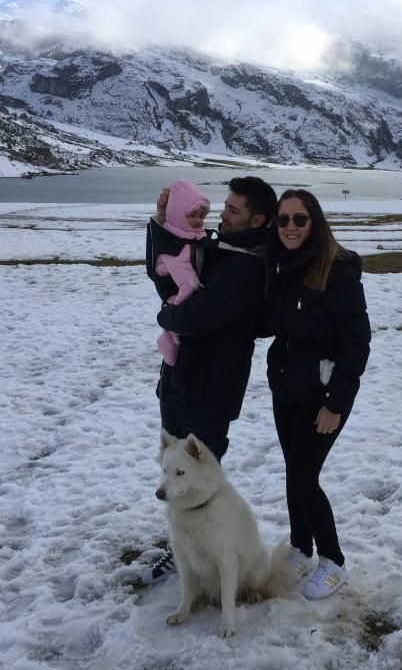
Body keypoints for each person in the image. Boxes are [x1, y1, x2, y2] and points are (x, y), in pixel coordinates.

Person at [141, 175, 278, 584]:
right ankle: (187, 552)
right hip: (186, 381)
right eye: (225, 205)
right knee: (178, 474)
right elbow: (168, 274)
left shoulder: (246, 266)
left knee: (201, 484)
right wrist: (163, 220)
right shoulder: (225, 247)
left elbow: (194, 317)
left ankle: (211, 559)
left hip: (207, 392)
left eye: (233, 210)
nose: (223, 214)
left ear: (258, 219)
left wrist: (165, 317)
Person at [262, 189, 370, 600]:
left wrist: (335, 404)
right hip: (287, 387)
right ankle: (299, 547)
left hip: (324, 394)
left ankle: (333, 561)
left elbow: (356, 342)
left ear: (315, 222)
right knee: (294, 471)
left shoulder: (337, 270)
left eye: (299, 219)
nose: (290, 227)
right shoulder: (280, 265)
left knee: (305, 477)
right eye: (283, 219)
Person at [151, 180, 211, 366]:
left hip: (179, 291)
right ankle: (170, 340)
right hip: (177, 297)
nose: (198, 221)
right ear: (177, 214)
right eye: (192, 215)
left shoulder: (183, 235)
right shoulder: (175, 245)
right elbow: (185, 280)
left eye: (202, 216)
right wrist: (197, 289)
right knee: (177, 336)